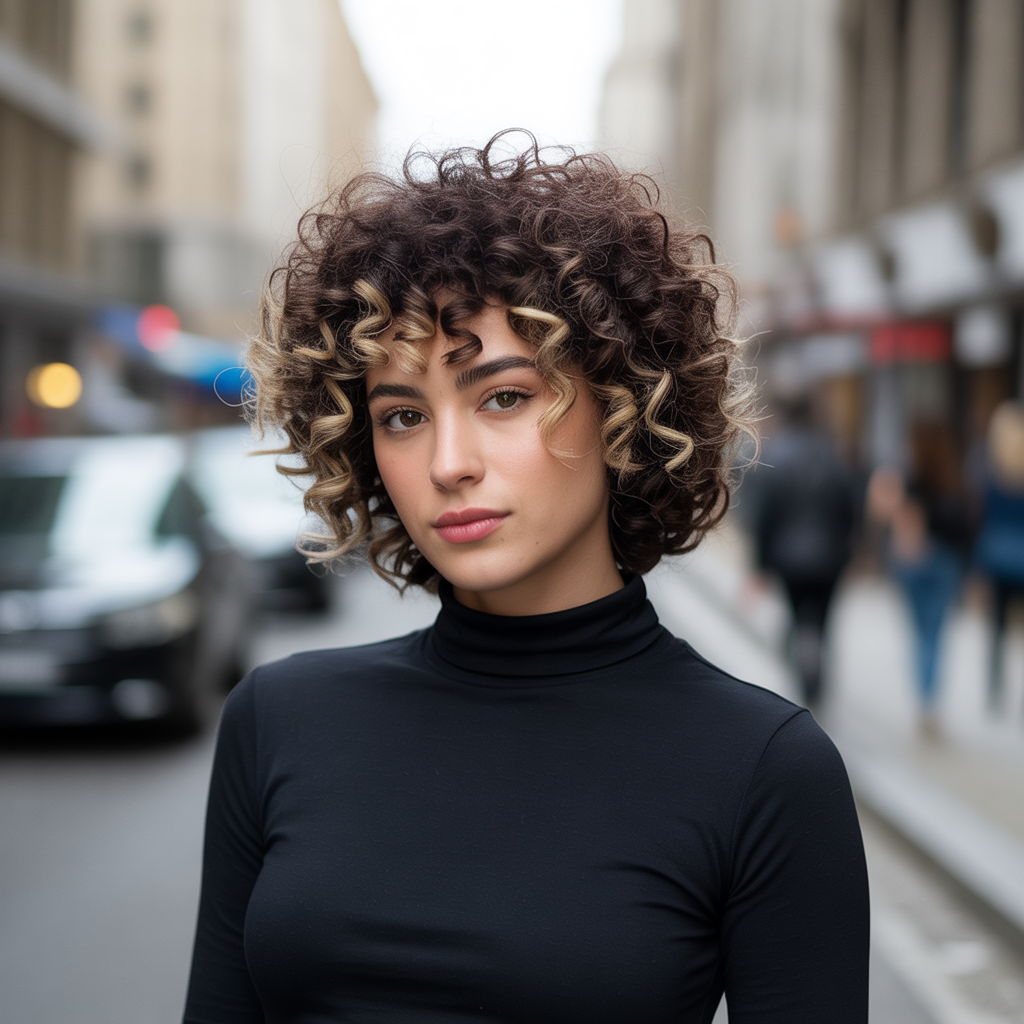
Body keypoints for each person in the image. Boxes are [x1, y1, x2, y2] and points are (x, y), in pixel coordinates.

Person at [184, 135, 869, 1023]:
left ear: (625, 403)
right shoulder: (276, 720)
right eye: (402, 416)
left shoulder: (764, 770)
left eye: (503, 396)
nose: (449, 463)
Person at [747, 395, 860, 707]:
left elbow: (764, 516)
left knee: (798, 619)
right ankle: (818, 683)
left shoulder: (776, 456)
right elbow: (849, 506)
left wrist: (760, 565)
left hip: (788, 558)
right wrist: (850, 548)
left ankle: (804, 681)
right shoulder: (831, 453)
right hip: (829, 557)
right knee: (823, 623)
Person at [974, 401, 1024, 711]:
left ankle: (995, 690)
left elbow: (981, 518)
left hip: (995, 556)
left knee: (996, 628)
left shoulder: (988, 471)